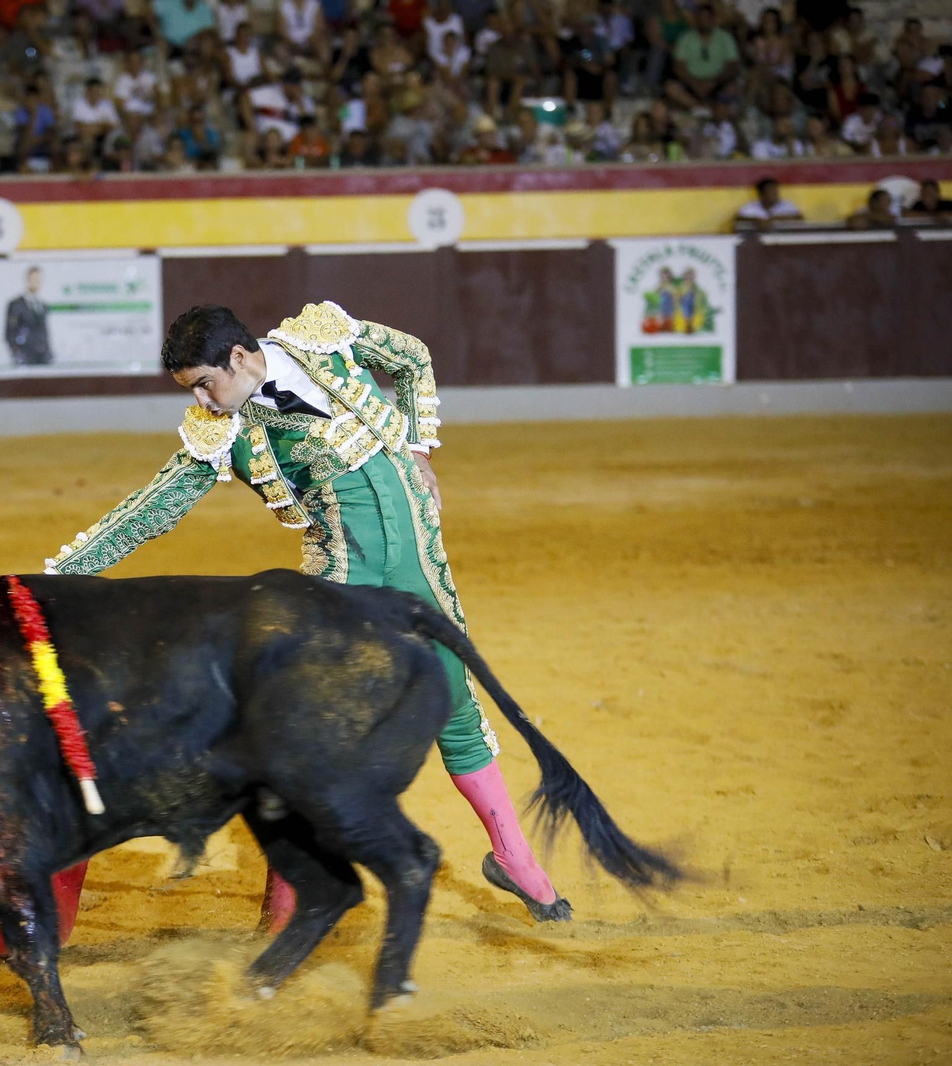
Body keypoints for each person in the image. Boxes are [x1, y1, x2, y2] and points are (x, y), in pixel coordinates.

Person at [43, 302, 573, 928]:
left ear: (239, 357)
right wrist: (59, 576)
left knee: (455, 700)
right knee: (313, 735)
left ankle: (513, 858)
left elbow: (411, 357)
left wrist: (418, 445)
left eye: (207, 384)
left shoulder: (319, 340)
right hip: (341, 582)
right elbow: (154, 506)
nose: (205, 404)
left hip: (423, 564)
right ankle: (287, 902)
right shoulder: (226, 433)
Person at [4, 266, 52, 366]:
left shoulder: (43, 305)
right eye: (34, 279)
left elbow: (44, 332)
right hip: (26, 359)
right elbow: (10, 333)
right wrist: (18, 355)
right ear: (27, 280)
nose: (36, 282)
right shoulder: (16, 304)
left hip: (43, 359)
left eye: (38, 280)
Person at [735, 176, 804, 229]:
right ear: (761, 194)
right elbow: (739, 219)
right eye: (771, 191)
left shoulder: (786, 205)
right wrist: (756, 221)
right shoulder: (751, 206)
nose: (775, 194)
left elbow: (799, 218)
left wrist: (776, 219)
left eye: (775, 191)